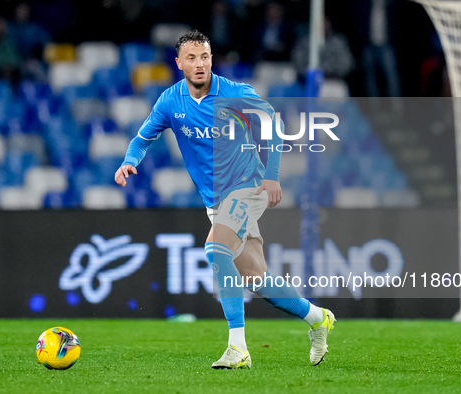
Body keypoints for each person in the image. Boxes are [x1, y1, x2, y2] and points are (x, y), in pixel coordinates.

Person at [114, 30, 335, 369]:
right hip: (216, 201)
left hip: (248, 186)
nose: (199, 64)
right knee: (257, 279)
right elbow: (142, 140)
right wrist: (130, 161)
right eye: (191, 58)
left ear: (211, 59)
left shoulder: (235, 93)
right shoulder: (171, 101)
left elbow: (273, 124)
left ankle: (238, 348)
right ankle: (318, 318)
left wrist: (272, 174)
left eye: (204, 56)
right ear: (179, 63)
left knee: (215, 250)